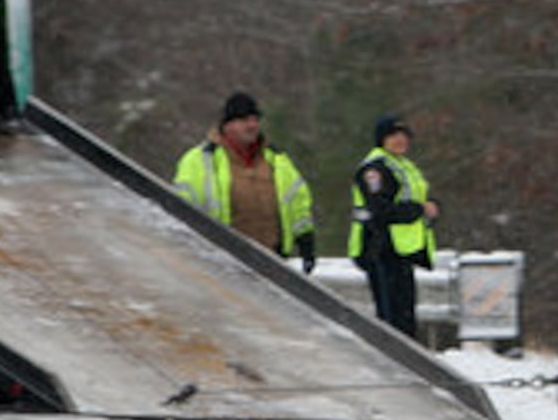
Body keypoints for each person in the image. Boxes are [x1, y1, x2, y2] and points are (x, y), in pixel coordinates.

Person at [173, 91, 316, 272]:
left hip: (274, 262)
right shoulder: (198, 160)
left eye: (255, 119)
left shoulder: (277, 159)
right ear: (227, 125)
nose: (252, 125)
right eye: (244, 120)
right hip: (223, 265)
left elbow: (298, 201)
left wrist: (306, 239)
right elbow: (182, 208)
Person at [349, 114, 440, 338]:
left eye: (404, 135)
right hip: (379, 246)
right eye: (393, 136)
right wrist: (418, 209)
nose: (400, 140)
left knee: (405, 317)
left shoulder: (403, 166)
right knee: (392, 321)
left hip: (401, 249)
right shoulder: (375, 169)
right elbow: (380, 209)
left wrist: (430, 207)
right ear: (382, 139)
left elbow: (416, 198)